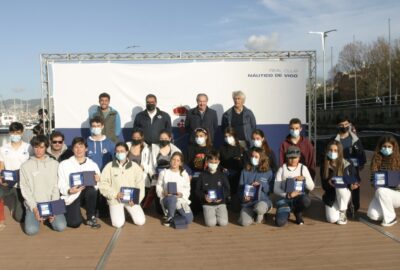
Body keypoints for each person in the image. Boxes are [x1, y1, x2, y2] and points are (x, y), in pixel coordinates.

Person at [19, 135, 67, 235]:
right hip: (34, 205)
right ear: (33, 148)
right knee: (31, 230)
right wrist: (35, 209)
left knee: (61, 226)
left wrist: (53, 208)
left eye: (41, 147)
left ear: (46, 147)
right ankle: (37, 217)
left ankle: (47, 219)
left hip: (51, 203)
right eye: (36, 147)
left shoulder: (54, 164)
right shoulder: (25, 166)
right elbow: (25, 189)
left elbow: (56, 186)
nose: (38, 150)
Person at [58, 137, 101, 229]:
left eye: (81, 147)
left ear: (86, 149)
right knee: (74, 223)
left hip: (86, 194)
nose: (79, 150)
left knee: (91, 189)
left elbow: (97, 187)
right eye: (76, 147)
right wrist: (69, 190)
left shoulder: (93, 165)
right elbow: (61, 184)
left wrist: (97, 181)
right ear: (72, 149)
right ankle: (65, 212)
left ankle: (90, 217)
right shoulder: (64, 164)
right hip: (72, 195)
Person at [99, 142, 146, 227]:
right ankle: (121, 212)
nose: (119, 153)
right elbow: (103, 184)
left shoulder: (135, 167)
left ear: (127, 152)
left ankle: (126, 211)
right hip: (116, 199)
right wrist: (115, 194)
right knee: (118, 224)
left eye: (122, 151)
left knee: (140, 221)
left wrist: (136, 200)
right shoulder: (109, 166)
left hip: (131, 200)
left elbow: (140, 185)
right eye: (117, 151)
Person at [332, 114, 366, 215]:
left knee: (355, 185)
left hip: (354, 167)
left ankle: (355, 207)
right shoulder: (334, 140)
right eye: (341, 125)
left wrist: (362, 163)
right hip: (340, 167)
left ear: (350, 124)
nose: (344, 126)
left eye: (346, 124)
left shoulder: (355, 139)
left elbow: (361, 152)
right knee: (342, 186)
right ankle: (343, 207)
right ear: (338, 126)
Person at [0, 122, 31, 230]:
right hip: (7, 183)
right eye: (13, 132)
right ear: (9, 133)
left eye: (18, 132)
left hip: (22, 184)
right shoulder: (3, 148)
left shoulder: (29, 148)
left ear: (22, 133)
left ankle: (15, 207)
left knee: (20, 217)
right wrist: (1, 177)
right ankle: (1, 219)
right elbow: (1, 165)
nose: (15, 135)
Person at [274, 146, 314, 226]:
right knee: (280, 223)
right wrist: (287, 195)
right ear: (286, 157)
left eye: (295, 157)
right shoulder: (282, 169)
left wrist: (304, 179)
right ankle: (286, 212)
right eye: (290, 157)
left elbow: (311, 187)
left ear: (299, 157)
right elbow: (275, 189)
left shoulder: (303, 168)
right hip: (285, 199)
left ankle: (298, 212)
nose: (293, 160)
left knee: (306, 200)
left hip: (298, 198)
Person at [142, 130, 181, 211]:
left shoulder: (176, 150)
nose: (163, 140)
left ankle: (172, 207)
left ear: (170, 138)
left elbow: (178, 165)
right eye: (161, 138)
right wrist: (153, 174)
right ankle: (145, 206)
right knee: (159, 209)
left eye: (166, 138)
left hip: (170, 176)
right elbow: (149, 165)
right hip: (156, 176)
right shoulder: (153, 148)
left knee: (170, 196)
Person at [320, 141, 357, 225]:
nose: (332, 152)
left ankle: (343, 212)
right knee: (332, 219)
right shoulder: (324, 165)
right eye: (330, 150)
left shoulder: (348, 163)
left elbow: (354, 179)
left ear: (340, 151)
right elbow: (324, 186)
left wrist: (353, 185)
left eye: (335, 150)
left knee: (340, 187)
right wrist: (329, 183)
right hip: (331, 196)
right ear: (327, 151)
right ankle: (336, 209)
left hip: (344, 194)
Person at [367, 135, 400, 227]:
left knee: (381, 191)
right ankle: (387, 210)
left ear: (394, 147)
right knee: (372, 215)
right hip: (382, 193)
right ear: (380, 147)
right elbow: (372, 181)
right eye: (384, 146)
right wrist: (374, 182)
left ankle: (391, 218)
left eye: (389, 147)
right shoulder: (376, 160)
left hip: (397, 194)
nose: (386, 148)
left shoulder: (399, 160)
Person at [87, 116, 115, 219]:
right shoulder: (86, 143)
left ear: (102, 126)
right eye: (93, 126)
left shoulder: (110, 143)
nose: (96, 128)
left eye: (98, 126)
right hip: (91, 178)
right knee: (92, 196)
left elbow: (114, 161)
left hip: (105, 177)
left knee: (104, 201)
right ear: (90, 127)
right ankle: (93, 212)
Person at [238, 147, 273, 226]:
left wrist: (261, 184)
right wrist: (243, 197)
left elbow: (270, 190)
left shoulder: (268, 172)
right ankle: (252, 214)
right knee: (244, 223)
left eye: (256, 157)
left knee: (259, 209)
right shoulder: (244, 171)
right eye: (252, 156)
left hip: (262, 201)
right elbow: (240, 189)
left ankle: (261, 214)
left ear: (262, 158)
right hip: (248, 203)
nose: (253, 158)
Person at [156, 152, 193, 226]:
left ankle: (174, 214)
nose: (175, 162)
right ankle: (169, 217)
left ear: (181, 163)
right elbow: (158, 186)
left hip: (180, 199)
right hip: (167, 199)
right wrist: (164, 193)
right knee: (172, 197)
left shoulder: (184, 174)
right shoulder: (163, 173)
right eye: (173, 159)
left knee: (189, 219)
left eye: (177, 160)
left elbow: (187, 189)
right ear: (170, 160)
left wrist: (182, 194)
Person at [196, 151, 230, 227]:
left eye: (215, 162)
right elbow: (197, 191)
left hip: (220, 203)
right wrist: (204, 197)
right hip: (207, 204)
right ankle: (209, 214)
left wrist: (222, 196)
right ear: (207, 162)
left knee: (223, 223)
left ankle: (217, 214)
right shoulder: (202, 175)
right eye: (211, 162)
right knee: (211, 223)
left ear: (219, 162)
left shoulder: (222, 175)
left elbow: (228, 190)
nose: (213, 164)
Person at [186, 127, 214, 214]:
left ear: (206, 136)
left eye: (201, 136)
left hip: (207, 175)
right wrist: (189, 173)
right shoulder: (190, 149)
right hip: (194, 175)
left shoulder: (211, 149)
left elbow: (214, 164)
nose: (199, 138)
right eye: (197, 136)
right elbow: (186, 164)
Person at [219, 127, 244, 195]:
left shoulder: (241, 148)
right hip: (225, 176)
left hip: (238, 177)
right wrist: (222, 168)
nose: (227, 138)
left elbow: (244, 163)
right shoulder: (222, 148)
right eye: (226, 136)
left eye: (229, 136)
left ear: (234, 136)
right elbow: (218, 162)